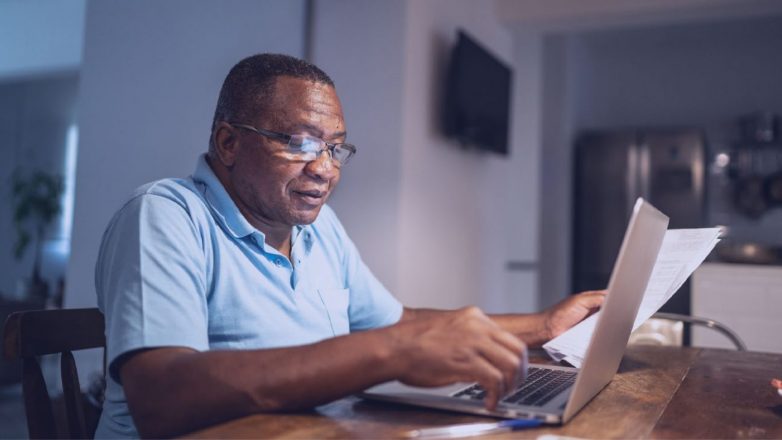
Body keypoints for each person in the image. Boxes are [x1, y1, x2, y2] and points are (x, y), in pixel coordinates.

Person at [94, 53, 605, 438]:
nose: (325, 168)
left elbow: (394, 323)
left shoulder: (319, 230)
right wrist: (387, 354)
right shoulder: (166, 215)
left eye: (336, 147)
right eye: (300, 143)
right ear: (228, 143)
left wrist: (541, 326)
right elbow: (160, 395)